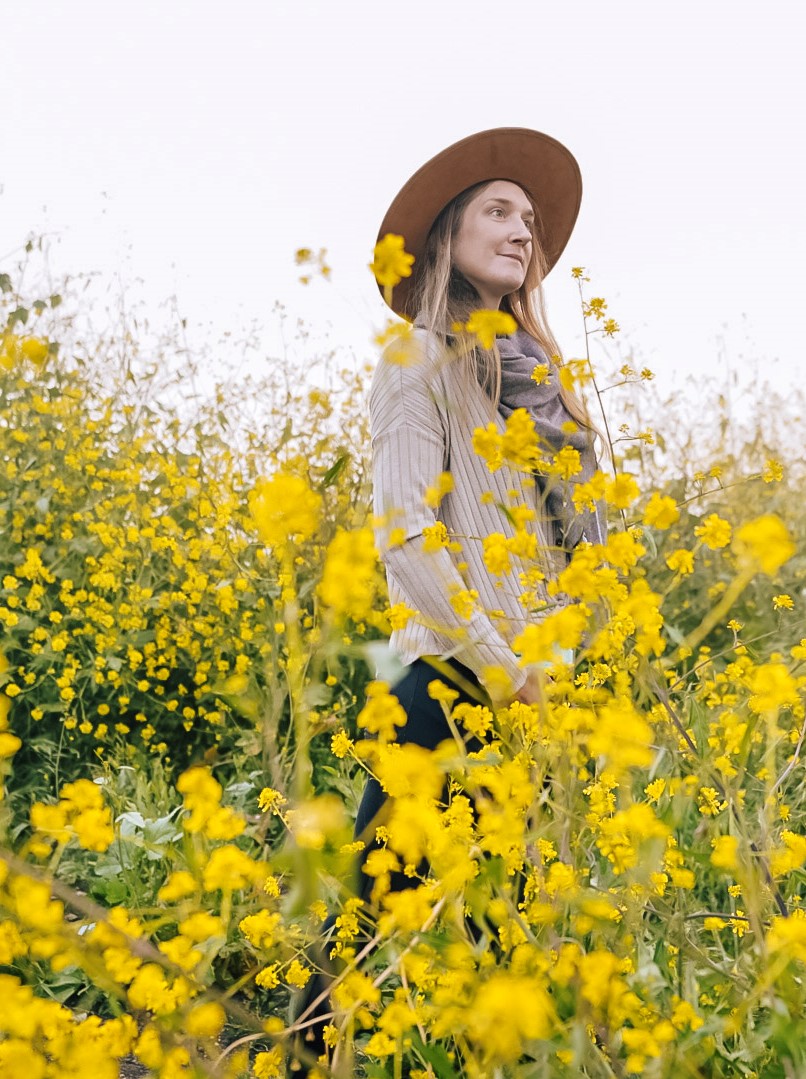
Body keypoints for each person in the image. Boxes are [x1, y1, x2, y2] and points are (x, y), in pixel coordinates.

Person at [289, 126, 605, 1076]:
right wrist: (504, 668)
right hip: (448, 673)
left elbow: (579, 548)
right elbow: (404, 537)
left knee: (511, 927)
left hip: (546, 684)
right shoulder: (416, 358)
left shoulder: (546, 386)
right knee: (378, 917)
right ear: (447, 236)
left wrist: (568, 654)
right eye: (497, 212)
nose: (521, 231)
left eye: (530, 219)